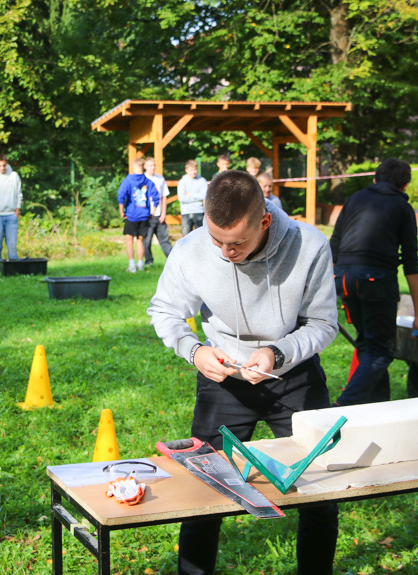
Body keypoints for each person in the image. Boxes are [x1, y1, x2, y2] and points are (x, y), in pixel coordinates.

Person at [148, 170, 339, 575]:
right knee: (205, 488)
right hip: (223, 380)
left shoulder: (310, 245)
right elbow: (164, 310)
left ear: (265, 220)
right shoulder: (191, 249)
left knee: (319, 490)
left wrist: (277, 352)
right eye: (217, 240)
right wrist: (194, 350)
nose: (225, 252)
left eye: (236, 243)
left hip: (294, 376)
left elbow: (324, 324)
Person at [330, 158, 418, 406]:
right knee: (381, 351)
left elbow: (334, 246)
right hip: (377, 282)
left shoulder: (354, 199)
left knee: (367, 345)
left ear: (375, 179)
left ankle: (379, 406)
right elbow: (411, 263)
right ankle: (342, 405)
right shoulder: (403, 208)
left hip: (344, 279)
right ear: (405, 185)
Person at [118, 157, 159, 272]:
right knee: (140, 240)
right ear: (143, 167)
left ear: (133, 167)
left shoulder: (128, 181)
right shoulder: (148, 181)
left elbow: (121, 196)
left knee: (129, 239)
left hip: (131, 214)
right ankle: (140, 264)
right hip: (144, 215)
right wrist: (152, 212)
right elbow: (156, 198)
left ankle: (132, 265)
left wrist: (121, 210)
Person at [0, 153, 23, 272]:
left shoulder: (14, 176)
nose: (3, 168)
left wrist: (17, 208)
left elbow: (19, 193)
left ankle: (13, 266)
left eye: (4, 165)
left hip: (11, 214)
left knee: (12, 243)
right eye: (0, 166)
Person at [142, 156, 173, 267]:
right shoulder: (142, 179)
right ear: (145, 166)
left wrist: (163, 212)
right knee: (146, 240)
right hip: (147, 215)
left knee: (164, 239)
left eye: (154, 165)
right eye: (150, 165)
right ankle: (148, 261)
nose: (153, 167)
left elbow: (163, 197)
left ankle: (172, 260)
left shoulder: (160, 179)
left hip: (159, 214)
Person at [177, 159, 207, 236]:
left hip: (199, 211)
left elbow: (204, 195)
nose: (193, 172)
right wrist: (197, 196)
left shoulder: (202, 180)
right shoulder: (182, 182)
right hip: (186, 212)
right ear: (186, 170)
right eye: (191, 170)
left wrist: (190, 194)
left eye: (195, 170)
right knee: (186, 237)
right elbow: (182, 198)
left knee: (201, 236)